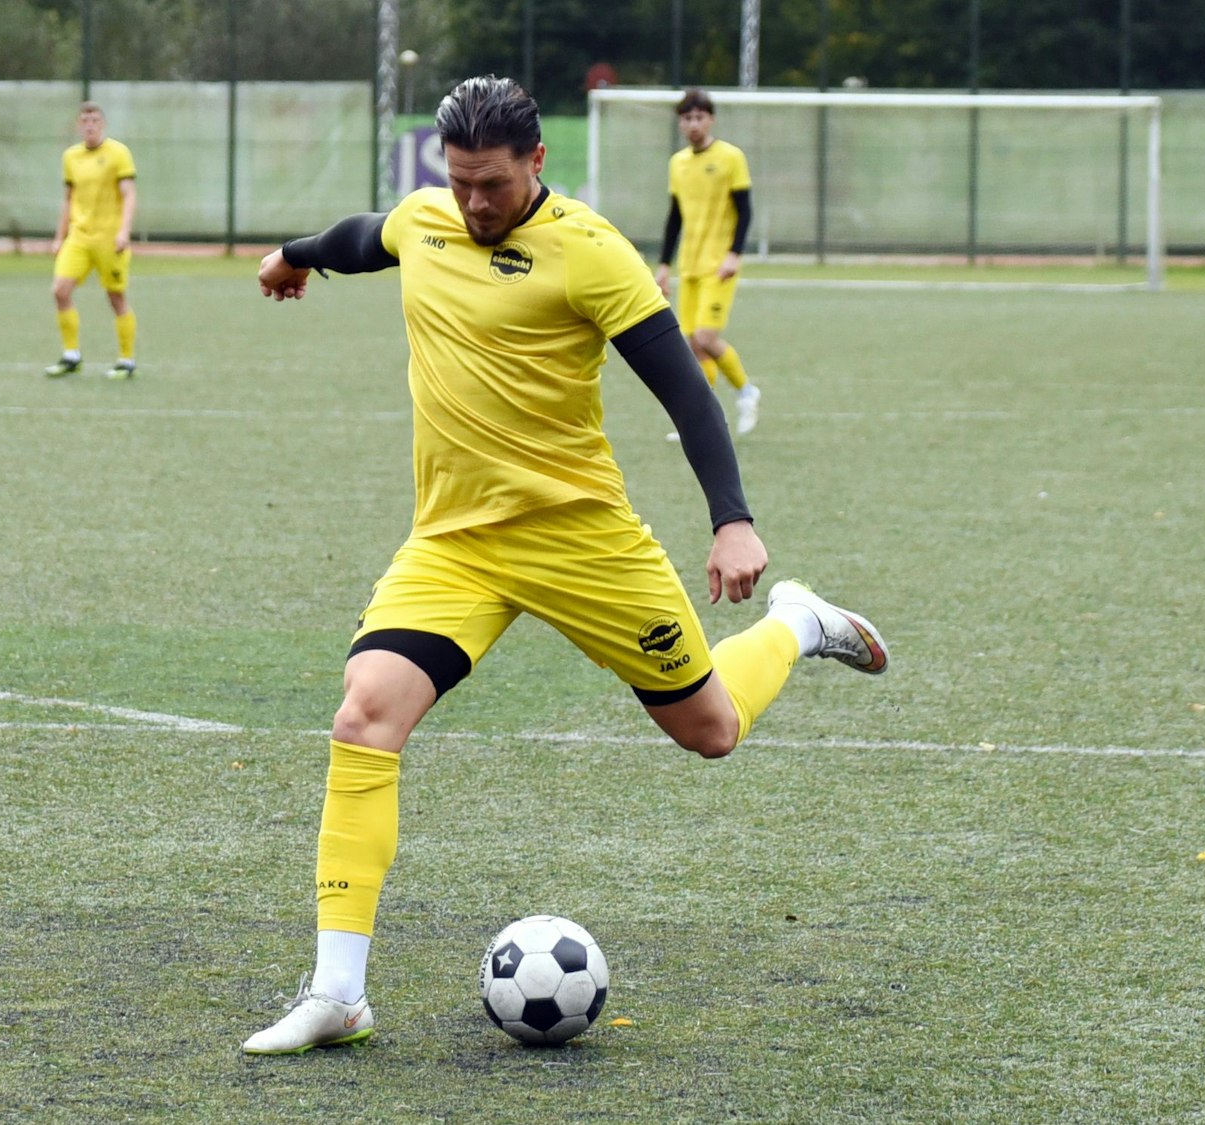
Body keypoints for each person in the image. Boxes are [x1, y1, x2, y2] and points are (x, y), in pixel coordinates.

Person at [241, 76, 888, 1056]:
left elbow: (685, 393)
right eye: (459, 182)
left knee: (709, 730)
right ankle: (339, 993)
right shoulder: (426, 219)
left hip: (583, 541)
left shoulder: (591, 252)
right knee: (364, 714)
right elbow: (361, 237)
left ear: (537, 163)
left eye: (493, 184)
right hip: (455, 544)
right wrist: (294, 257)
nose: (473, 203)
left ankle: (796, 622)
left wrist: (733, 520)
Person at [656, 88, 761, 439]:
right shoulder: (678, 163)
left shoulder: (731, 157)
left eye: (699, 117)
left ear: (711, 119)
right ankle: (703, 422)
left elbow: (745, 211)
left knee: (705, 336)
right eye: (687, 118)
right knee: (693, 345)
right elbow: (674, 218)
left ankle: (747, 391)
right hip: (690, 265)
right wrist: (664, 265)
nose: (693, 124)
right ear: (680, 123)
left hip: (720, 266)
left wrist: (734, 254)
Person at [44, 102, 138, 380]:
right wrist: (59, 237)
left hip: (109, 239)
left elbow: (129, 195)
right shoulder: (71, 157)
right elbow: (68, 199)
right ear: (78, 125)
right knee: (60, 291)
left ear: (103, 124)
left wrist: (124, 232)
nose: (90, 126)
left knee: (116, 297)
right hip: (79, 237)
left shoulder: (118, 153)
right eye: (85, 121)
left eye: (95, 120)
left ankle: (126, 360)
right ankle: (71, 356)